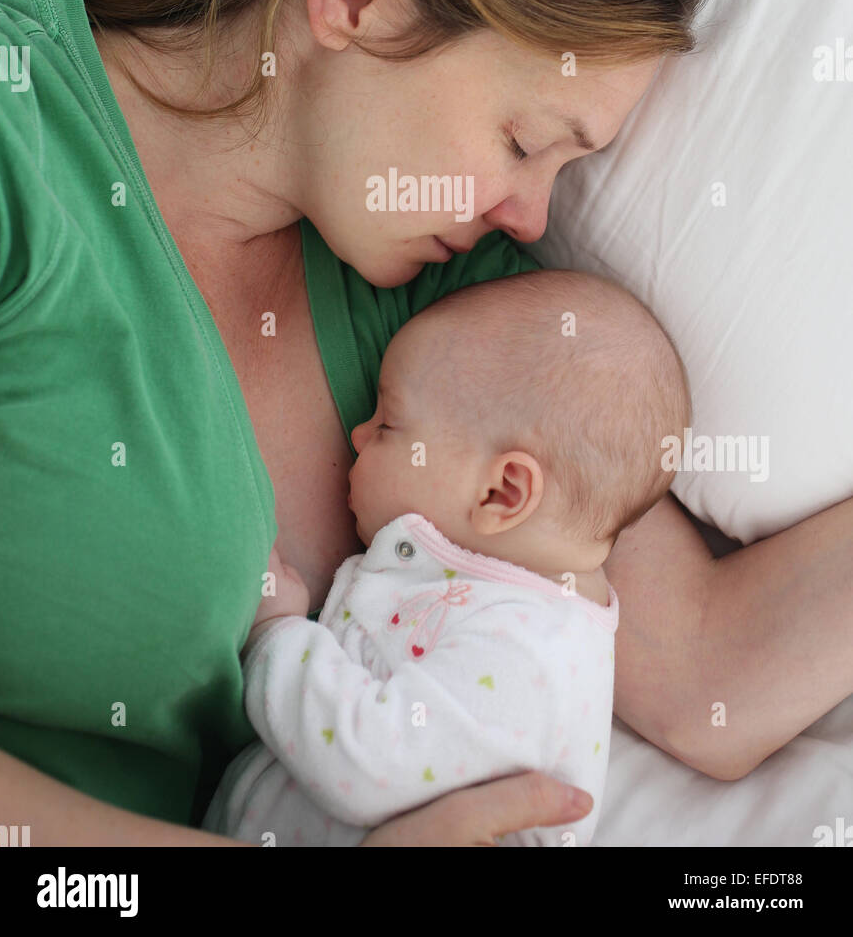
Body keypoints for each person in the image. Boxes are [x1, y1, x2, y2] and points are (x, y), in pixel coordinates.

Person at [0, 0, 849, 849]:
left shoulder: (437, 313)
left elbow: (706, 668)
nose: (532, 210)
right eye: (519, 140)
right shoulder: (11, 147)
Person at [201, 267, 689, 847]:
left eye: (387, 422)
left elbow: (369, 763)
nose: (357, 435)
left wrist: (278, 637)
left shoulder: (532, 651)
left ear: (502, 492)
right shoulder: (499, 603)